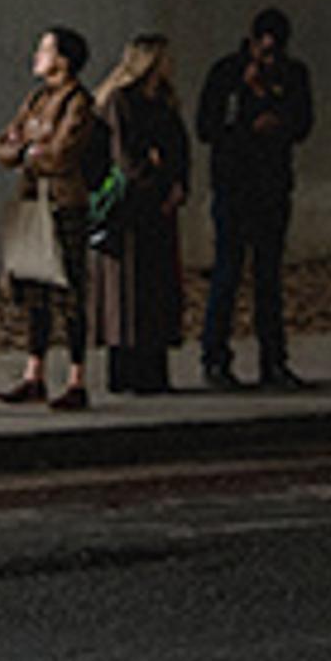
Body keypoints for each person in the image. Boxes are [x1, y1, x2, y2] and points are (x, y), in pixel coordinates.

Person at [193, 8, 316, 390]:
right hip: (233, 184)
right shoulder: (227, 72)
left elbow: (303, 124)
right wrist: (245, 115)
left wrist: (272, 106)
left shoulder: (294, 76)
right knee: (227, 273)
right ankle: (215, 359)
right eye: (262, 48)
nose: (268, 57)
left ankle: (273, 360)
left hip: (272, 184)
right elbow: (207, 127)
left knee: (268, 277)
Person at [0, 25, 107, 409]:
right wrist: (27, 152)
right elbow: (2, 144)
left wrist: (28, 149)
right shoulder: (37, 98)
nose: (37, 55)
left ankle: (77, 379)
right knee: (34, 288)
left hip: (65, 204)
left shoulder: (78, 102)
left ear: (63, 59)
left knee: (70, 290)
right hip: (32, 201)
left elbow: (62, 153)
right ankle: (34, 373)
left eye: (45, 49)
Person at [90, 34, 193, 393]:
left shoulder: (163, 101)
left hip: (159, 206)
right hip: (131, 210)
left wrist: (175, 183)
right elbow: (127, 157)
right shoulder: (123, 102)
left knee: (156, 288)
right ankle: (130, 370)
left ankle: (151, 369)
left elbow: (178, 149)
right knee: (131, 288)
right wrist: (156, 179)